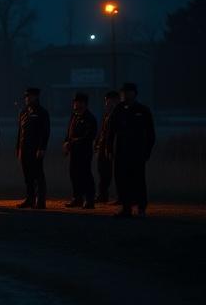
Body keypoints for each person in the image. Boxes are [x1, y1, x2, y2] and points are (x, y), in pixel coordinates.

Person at [107, 83, 156, 218]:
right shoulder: (118, 110)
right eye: (123, 92)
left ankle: (141, 208)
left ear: (135, 93)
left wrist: (147, 151)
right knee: (122, 180)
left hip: (137, 152)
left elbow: (151, 133)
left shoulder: (143, 110)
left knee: (139, 180)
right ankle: (126, 208)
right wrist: (109, 149)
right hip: (121, 152)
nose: (126, 95)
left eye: (128, 92)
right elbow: (111, 132)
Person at [15, 88, 50, 209]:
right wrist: (18, 148)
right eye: (26, 96)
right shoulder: (24, 112)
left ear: (36, 97)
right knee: (27, 176)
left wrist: (42, 148)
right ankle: (30, 199)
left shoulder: (42, 112)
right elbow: (20, 132)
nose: (27, 99)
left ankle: (40, 201)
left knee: (38, 175)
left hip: (35, 149)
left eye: (29, 96)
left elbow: (45, 132)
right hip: (24, 149)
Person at [62, 92, 97, 209]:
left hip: (84, 152)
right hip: (74, 152)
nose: (77, 105)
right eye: (75, 103)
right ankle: (77, 198)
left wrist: (71, 143)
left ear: (85, 104)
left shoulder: (90, 118)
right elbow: (69, 132)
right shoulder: (74, 116)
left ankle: (89, 199)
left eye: (80, 103)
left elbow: (88, 137)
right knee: (74, 174)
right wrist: (66, 143)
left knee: (85, 174)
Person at [94, 90, 120, 203]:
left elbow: (112, 133)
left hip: (112, 148)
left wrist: (110, 148)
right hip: (103, 147)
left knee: (113, 173)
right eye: (106, 102)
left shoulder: (117, 114)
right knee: (103, 172)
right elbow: (103, 131)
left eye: (108, 102)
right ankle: (102, 195)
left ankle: (120, 197)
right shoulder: (107, 114)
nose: (106, 104)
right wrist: (97, 143)